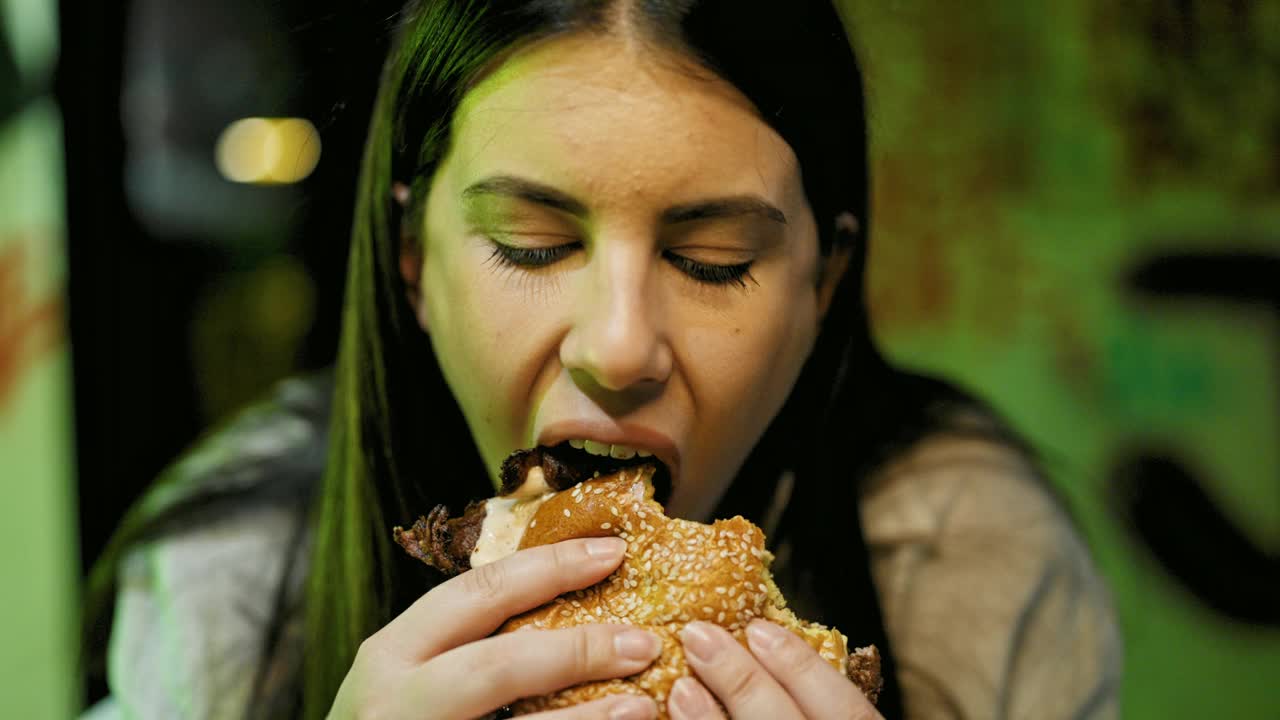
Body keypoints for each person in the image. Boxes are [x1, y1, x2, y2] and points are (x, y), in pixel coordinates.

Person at [82, 1, 1122, 719]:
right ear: (411, 264)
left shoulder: (970, 573)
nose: (618, 348)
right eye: (531, 246)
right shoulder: (232, 587)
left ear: (822, 285)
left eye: (710, 260)